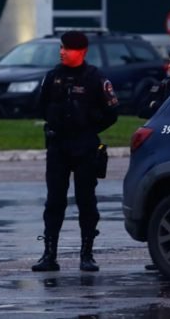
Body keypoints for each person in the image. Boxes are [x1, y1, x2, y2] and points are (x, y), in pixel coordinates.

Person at [32, 31, 119, 273]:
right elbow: (39, 107)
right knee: (54, 202)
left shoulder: (94, 78)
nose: (62, 52)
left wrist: (90, 126)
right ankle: (49, 255)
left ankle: (87, 254)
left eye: (67, 48)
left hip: (85, 148)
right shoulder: (52, 77)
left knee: (86, 202)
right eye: (61, 47)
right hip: (58, 147)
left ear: (82, 52)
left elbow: (112, 112)